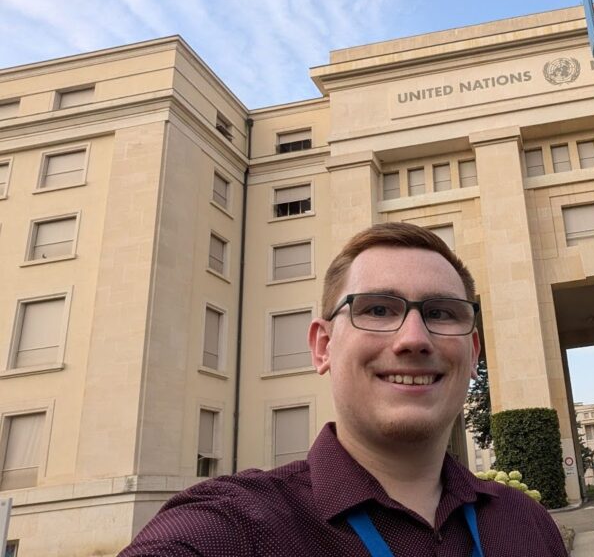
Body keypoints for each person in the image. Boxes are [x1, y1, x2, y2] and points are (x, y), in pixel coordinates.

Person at [120, 222, 568, 556]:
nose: (414, 338)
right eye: (376, 308)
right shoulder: (236, 527)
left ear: (472, 353)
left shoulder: (527, 525)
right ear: (323, 347)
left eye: (442, 313)